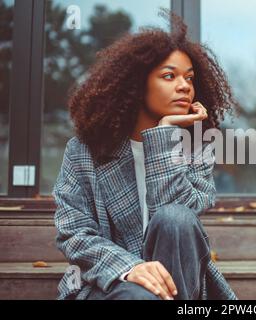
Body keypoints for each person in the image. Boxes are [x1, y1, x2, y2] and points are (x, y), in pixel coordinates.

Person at [52, 9, 240, 300]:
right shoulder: (85, 152)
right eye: (169, 76)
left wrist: (163, 136)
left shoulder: (195, 150)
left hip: (179, 286)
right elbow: (74, 234)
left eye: (189, 79)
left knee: (175, 218)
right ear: (137, 86)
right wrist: (131, 267)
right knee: (139, 296)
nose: (184, 87)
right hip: (108, 283)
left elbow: (181, 223)